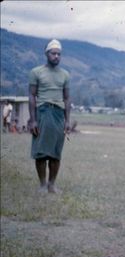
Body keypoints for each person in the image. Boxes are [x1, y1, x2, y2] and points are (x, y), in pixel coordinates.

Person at [28, 39, 71, 194]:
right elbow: (32, 96)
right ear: (47, 54)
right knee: (40, 152)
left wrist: (67, 121)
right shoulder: (36, 72)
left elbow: (67, 98)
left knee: (55, 152)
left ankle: (52, 185)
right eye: (53, 53)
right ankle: (42, 185)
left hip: (58, 115)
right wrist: (33, 120)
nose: (56, 56)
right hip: (42, 113)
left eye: (59, 54)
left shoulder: (65, 74)